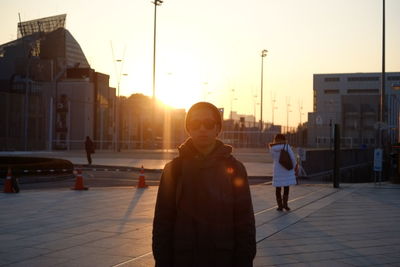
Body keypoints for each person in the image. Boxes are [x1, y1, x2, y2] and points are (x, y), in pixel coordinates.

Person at [152, 102, 256, 267]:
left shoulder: (235, 169)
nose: (202, 129)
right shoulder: (174, 169)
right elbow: (162, 223)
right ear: (189, 128)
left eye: (208, 124)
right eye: (195, 123)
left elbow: (245, 223)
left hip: (223, 259)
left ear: (217, 128)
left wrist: (244, 260)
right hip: (183, 259)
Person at [269, 134, 297, 211]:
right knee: (286, 187)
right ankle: (285, 205)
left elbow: (274, 158)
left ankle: (279, 206)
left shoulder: (272, 148)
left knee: (278, 188)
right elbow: (292, 158)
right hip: (286, 170)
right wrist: (294, 166)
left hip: (277, 170)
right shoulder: (286, 146)